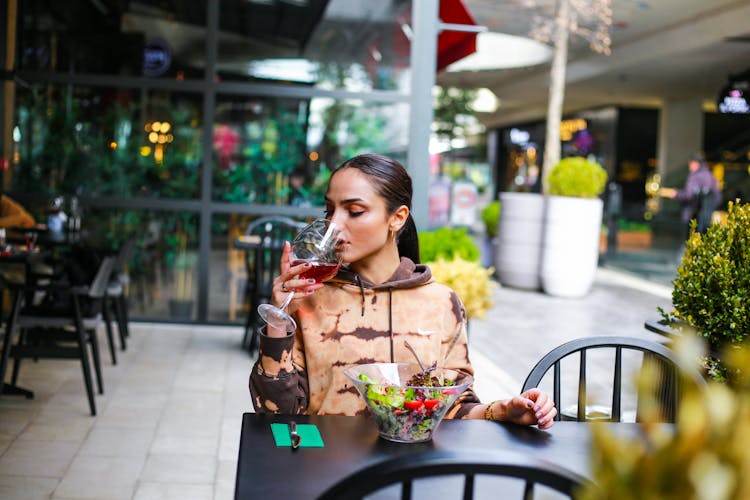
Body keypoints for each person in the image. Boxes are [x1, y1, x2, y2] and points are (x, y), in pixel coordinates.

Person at [249, 153, 557, 428]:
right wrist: (279, 320)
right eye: (330, 210)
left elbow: (451, 410)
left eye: (354, 211)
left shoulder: (441, 303)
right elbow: (275, 414)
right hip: (325, 467)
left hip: (411, 471)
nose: (335, 226)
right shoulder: (310, 297)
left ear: (397, 218)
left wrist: (504, 409)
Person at [658, 153, 720, 237]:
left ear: (696, 163)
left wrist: (675, 194)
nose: (689, 166)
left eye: (690, 163)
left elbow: (689, 195)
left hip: (696, 213)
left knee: (693, 236)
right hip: (703, 213)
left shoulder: (697, 176)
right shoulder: (708, 174)